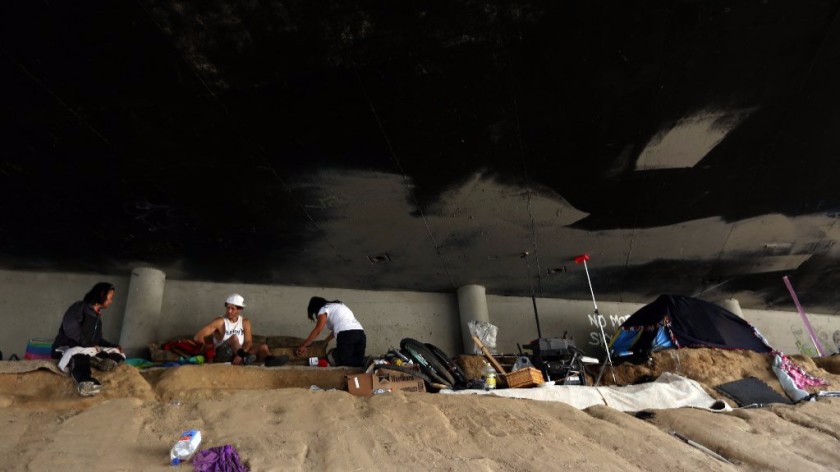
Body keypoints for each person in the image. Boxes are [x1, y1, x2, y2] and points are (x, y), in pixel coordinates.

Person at [52, 282, 126, 396]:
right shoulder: (79, 307)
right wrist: (87, 345)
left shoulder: (98, 319)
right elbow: (70, 328)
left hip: (87, 348)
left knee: (118, 353)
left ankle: (99, 361)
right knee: (79, 357)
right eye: (110, 297)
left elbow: (98, 340)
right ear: (102, 294)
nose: (111, 301)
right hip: (67, 348)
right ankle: (85, 382)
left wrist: (113, 346)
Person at [193, 293, 287, 366]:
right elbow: (198, 336)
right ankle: (246, 358)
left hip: (240, 353)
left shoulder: (245, 322)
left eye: (232, 309)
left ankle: (269, 360)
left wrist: (241, 354)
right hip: (223, 354)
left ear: (240, 309)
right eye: (228, 308)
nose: (229, 311)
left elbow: (248, 342)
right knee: (233, 338)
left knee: (263, 346)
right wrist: (204, 350)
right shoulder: (220, 321)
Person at [296, 297, 366, 367]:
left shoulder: (323, 309)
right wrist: (325, 342)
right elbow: (335, 332)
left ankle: (365, 362)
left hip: (347, 334)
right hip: (360, 333)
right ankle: (367, 362)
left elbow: (318, 330)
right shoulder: (339, 306)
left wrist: (304, 345)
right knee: (358, 361)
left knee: (344, 361)